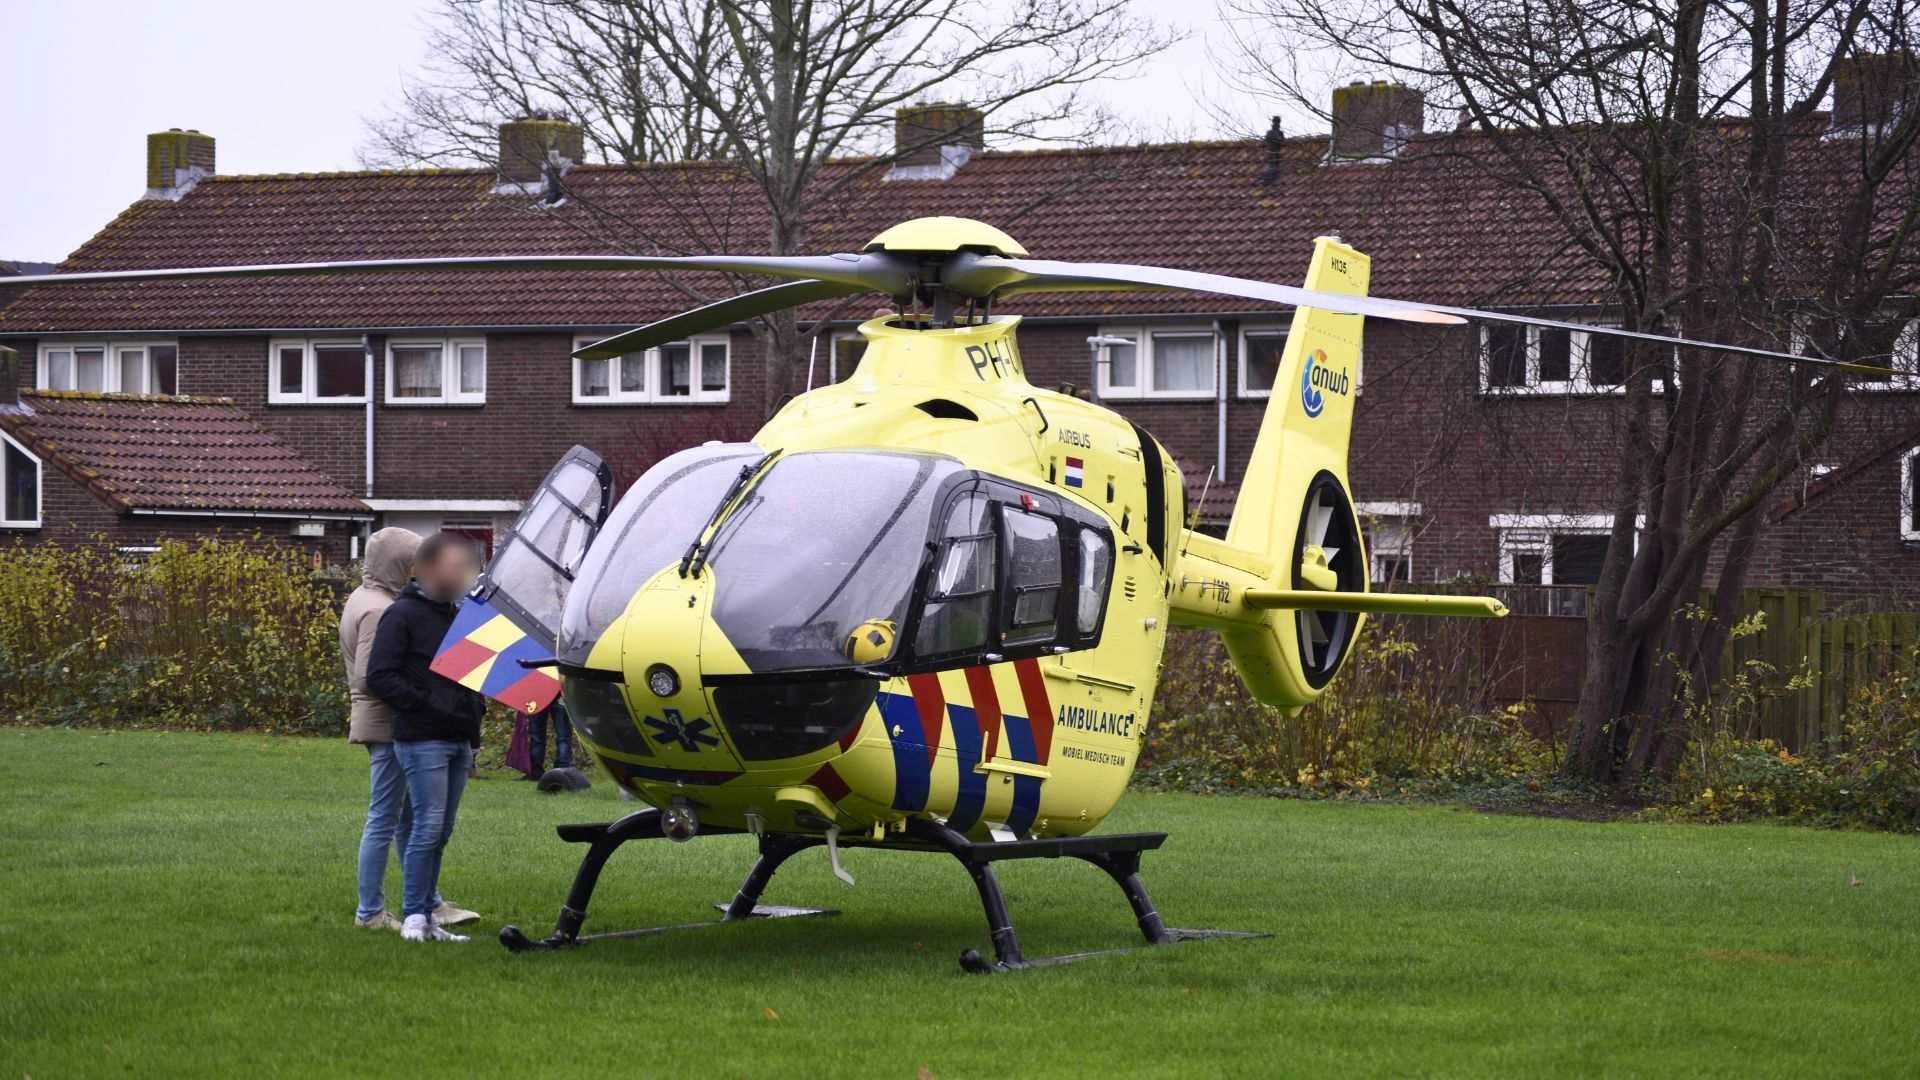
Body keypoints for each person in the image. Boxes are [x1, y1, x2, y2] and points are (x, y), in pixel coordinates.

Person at [339, 527, 480, 933]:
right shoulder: (382, 609)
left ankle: (424, 902)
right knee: (395, 819)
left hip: (396, 720)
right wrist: (431, 701)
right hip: (393, 723)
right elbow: (373, 676)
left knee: (408, 820)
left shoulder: (364, 598)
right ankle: (374, 911)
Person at [519, 701, 575, 779]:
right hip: (537, 695)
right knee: (536, 734)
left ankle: (562, 771)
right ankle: (536, 772)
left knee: (563, 734)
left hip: (559, 694)